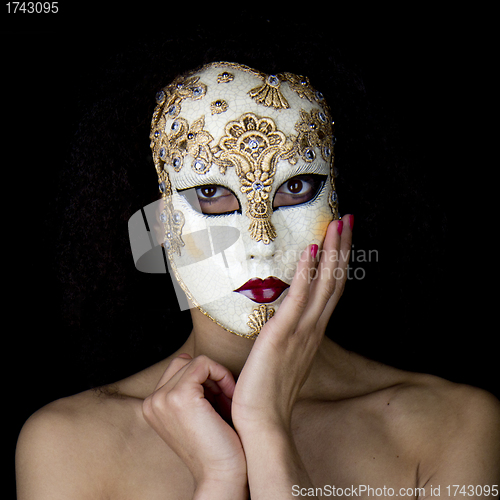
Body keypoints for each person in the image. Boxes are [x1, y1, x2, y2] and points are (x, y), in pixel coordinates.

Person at [15, 61, 500, 500]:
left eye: (295, 187)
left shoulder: (455, 425)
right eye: (211, 192)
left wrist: (266, 430)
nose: (261, 242)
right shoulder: (68, 444)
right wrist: (219, 481)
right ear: (159, 223)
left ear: (340, 203)